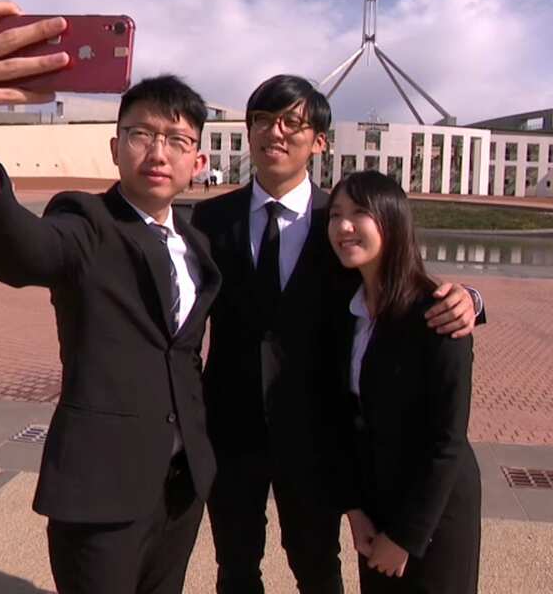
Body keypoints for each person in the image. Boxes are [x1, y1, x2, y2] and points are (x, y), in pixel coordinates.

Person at [0, 1, 220, 594]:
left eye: (176, 139)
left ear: (199, 161)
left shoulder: (198, 242)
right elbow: (22, 247)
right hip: (100, 494)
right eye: (140, 134)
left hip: (181, 486)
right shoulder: (86, 223)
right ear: (115, 149)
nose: (158, 151)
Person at [191, 75, 482, 594]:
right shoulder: (210, 220)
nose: (273, 133)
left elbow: (403, 281)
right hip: (232, 429)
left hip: (315, 434)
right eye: (261, 120)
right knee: (235, 567)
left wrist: (472, 301)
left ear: (318, 141)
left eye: (291, 123)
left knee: (318, 568)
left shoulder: (343, 222)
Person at [327, 171, 481, 593]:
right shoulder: (349, 312)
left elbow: (447, 440)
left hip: (434, 512)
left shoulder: (437, 315)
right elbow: (346, 418)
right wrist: (356, 510)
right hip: (376, 503)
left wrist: (408, 538)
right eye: (335, 214)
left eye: (359, 214)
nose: (343, 227)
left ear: (392, 222)